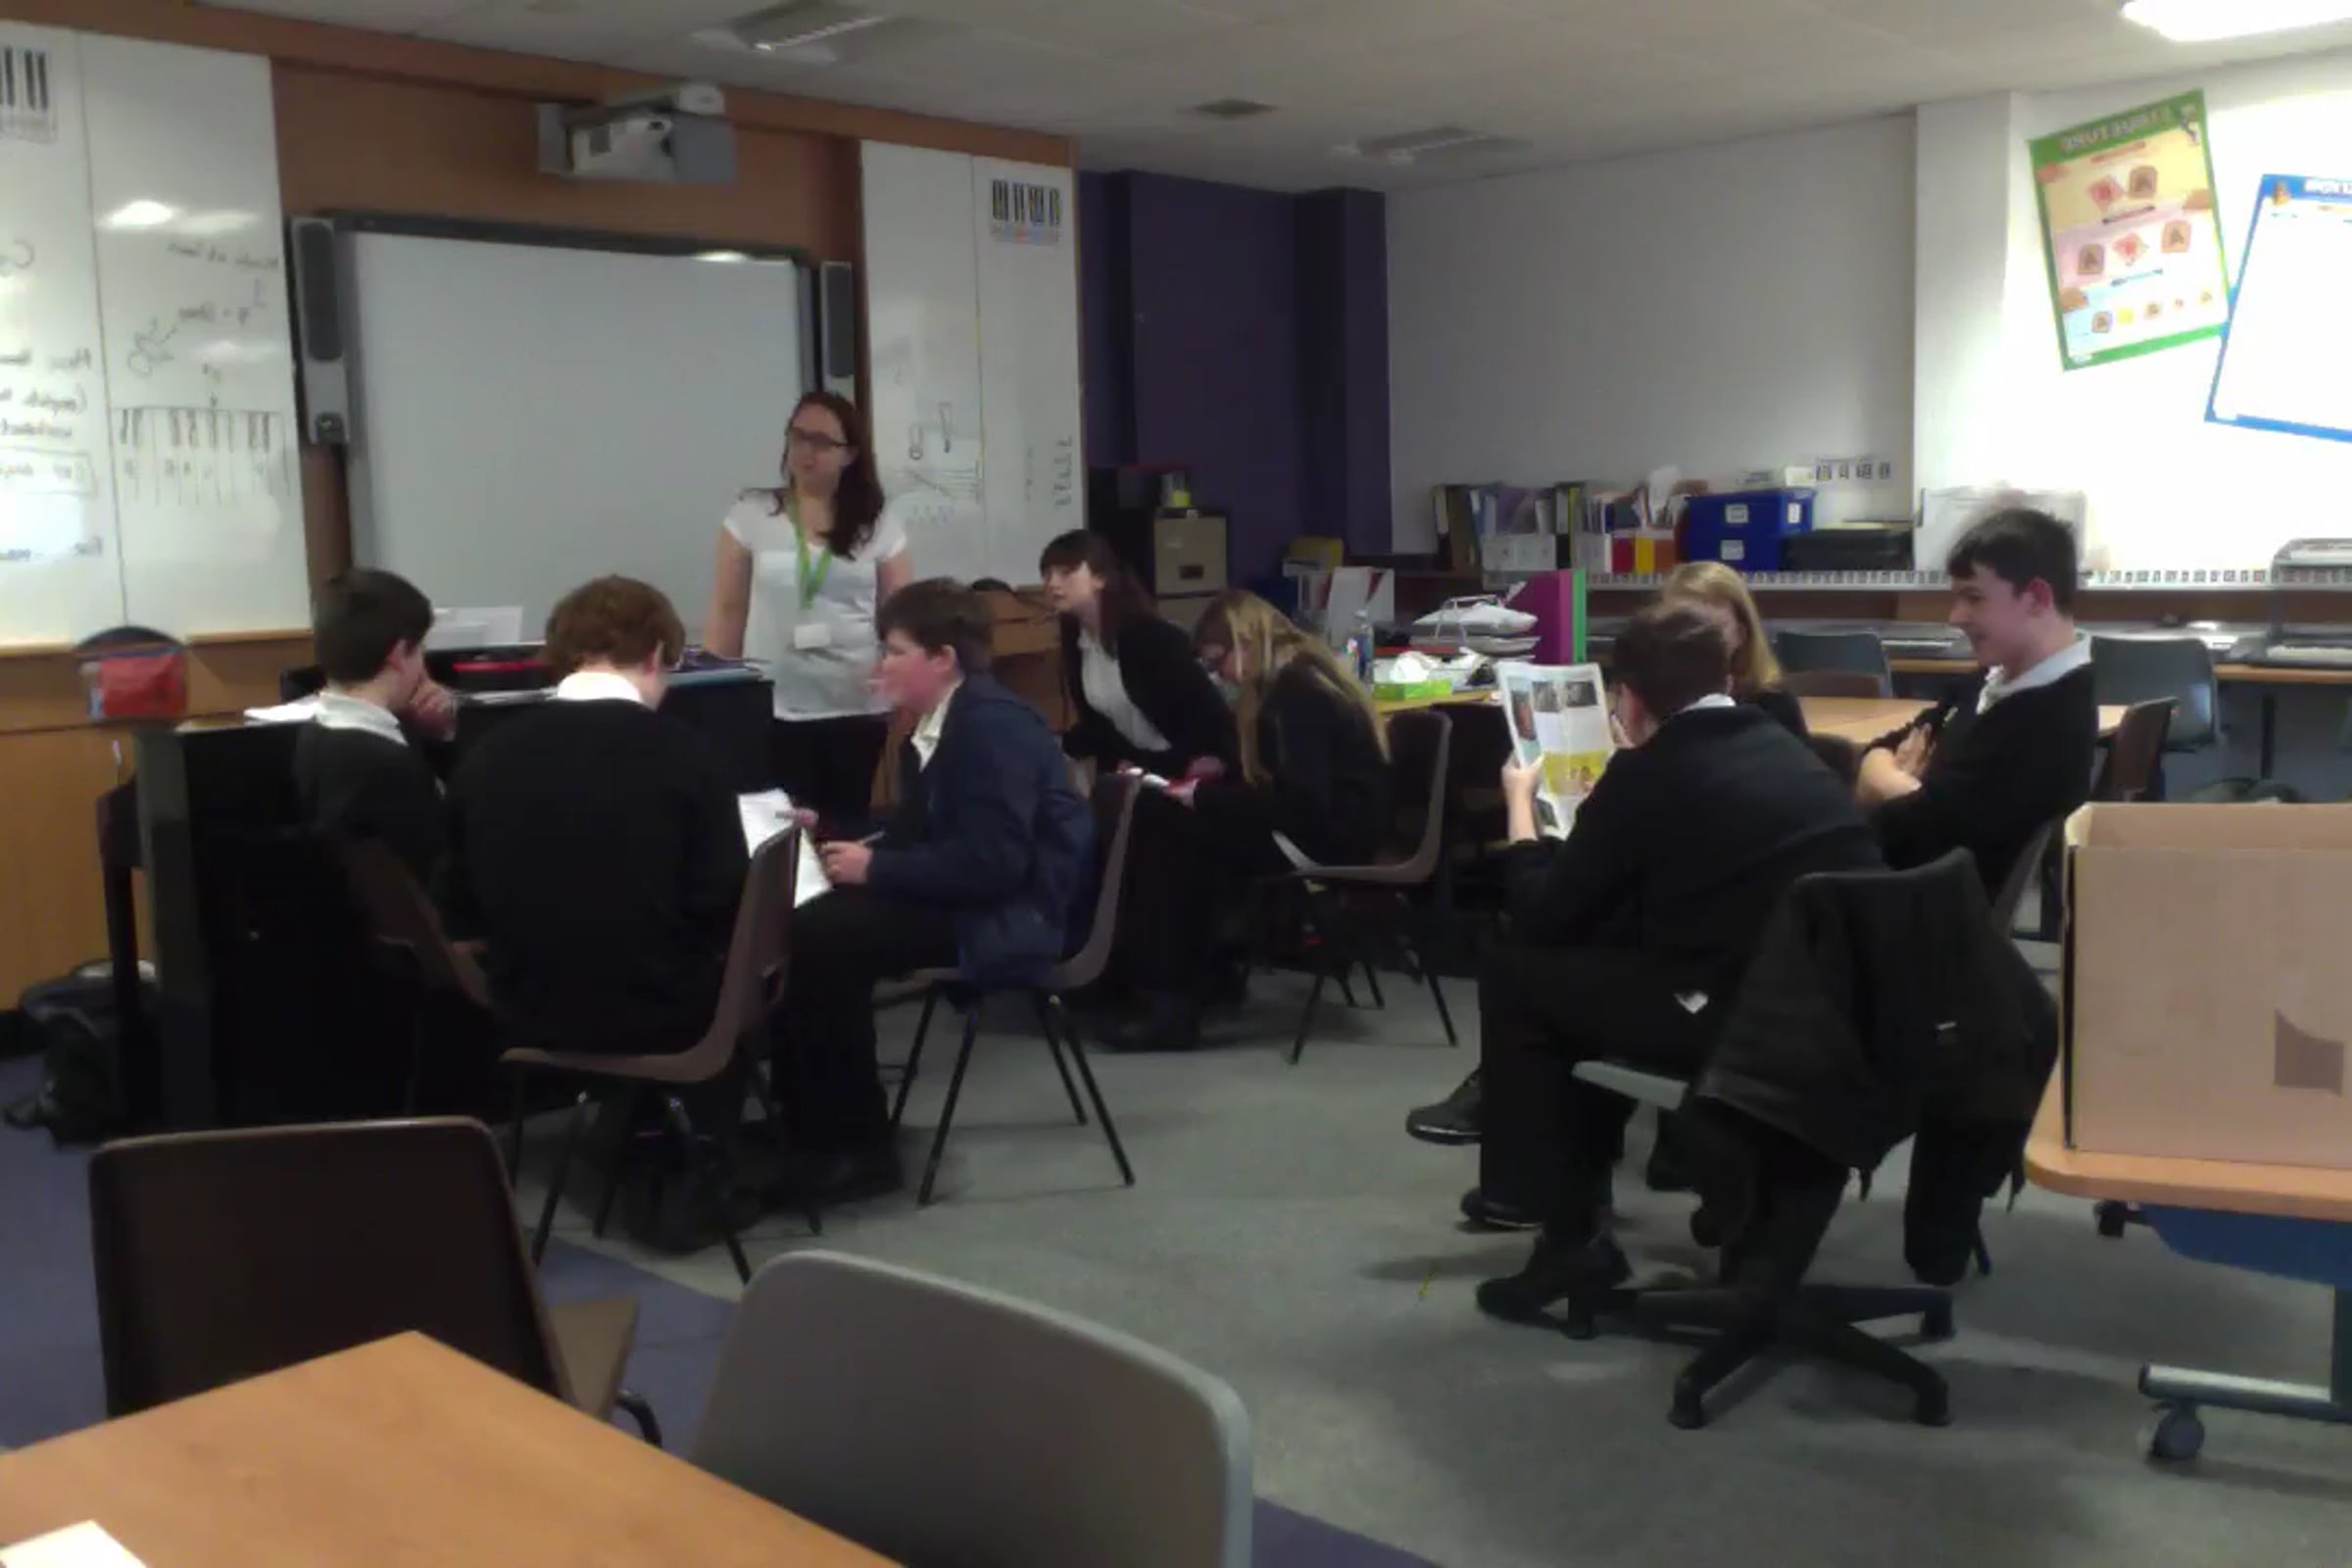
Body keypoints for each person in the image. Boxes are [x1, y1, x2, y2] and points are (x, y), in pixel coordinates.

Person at [1405, 604, 1884, 1315]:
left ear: (1627, 699)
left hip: (1744, 1023)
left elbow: (1540, 914)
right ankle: (1571, 1222)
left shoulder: (1650, 771)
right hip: (1844, 1011)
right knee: (1587, 982)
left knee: (1516, 970)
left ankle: (1558, 1229)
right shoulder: (1783, 745)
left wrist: (1520, 811)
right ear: (1727, 677)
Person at [770, 578, 1094, 1200]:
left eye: (895, 651)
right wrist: (836, 834)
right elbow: (920, 836)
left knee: (826, 938)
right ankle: (810, 1124)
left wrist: (876, 870)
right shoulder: (941, 727)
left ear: (942, 658)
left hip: (1010, 914)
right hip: (972, 899)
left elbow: (994, 864)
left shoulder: (991, 728)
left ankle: (854, 1147)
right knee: (807, 918)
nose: (882, 665)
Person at [447, 577, 747, 1057]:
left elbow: (462, 906)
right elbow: (720, 903)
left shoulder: (486, 754)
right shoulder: (688, 754)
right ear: (655, 656)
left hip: (523, 1010)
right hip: (662, 1009)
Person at [1855, 508, 2096, 895]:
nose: (1956, 616)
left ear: (2037, 597)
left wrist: (1885, 783)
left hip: (1916, 906)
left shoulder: (2048, 717)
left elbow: (1918, 830)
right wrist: (1907, 786)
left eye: (1974, 598)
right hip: (1893, 884)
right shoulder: (1990, 681)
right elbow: (1882, 748)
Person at [705, 391, 915, 832]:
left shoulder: (877, 525)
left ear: (849, 454)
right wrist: (717, 698)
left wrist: (903, 690)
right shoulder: (752, 515)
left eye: (821, 441)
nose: (806, 451)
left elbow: (900, 615)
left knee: (843, 827)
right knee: (782, 831)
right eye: (798, 436)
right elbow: (727, 611)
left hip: (855, 705)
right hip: (775, 706)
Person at [1181, 590, 1392, 876]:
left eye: (1218, 662)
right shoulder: (1303, 673)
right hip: (1342, 825)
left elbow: (1302, 806)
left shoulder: (1298, 690)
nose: (1219, 676)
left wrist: (1206, 797)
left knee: (1192, 841)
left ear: (1245, 642)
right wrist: (1223, 772)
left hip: (1337, 838)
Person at [292, 567, 460, 884]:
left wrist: (437, 734)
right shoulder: (385, 762)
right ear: (398, 655)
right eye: (419, 649)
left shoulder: (316, 731)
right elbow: (442, 864)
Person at [1041, 529, 1233, 780]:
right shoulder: (1079, 642)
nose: (1052, 583)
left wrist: (1187, 767)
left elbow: (1207, 715)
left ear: (1100, 578)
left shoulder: (1152, 638)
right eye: (1047, 574)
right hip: (1141, 772)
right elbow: (1098, 727)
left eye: (1066, 573)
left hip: (1190, 771)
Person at [1660, 560, 1806, 736]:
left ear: (1741, 634)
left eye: (1714, 629)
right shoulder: (1651, 705)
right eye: (1684, 627)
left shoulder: (1774, 706)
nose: (1698, 641)